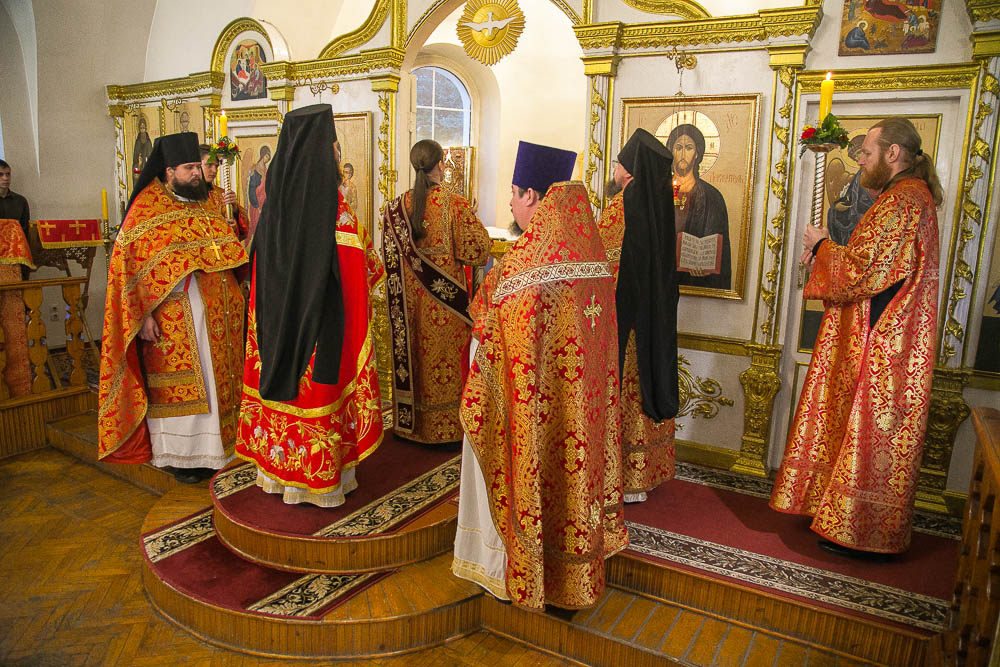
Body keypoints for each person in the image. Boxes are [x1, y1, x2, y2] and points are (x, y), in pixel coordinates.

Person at [453, 141, 626, 610]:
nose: (511, 203)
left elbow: (490, 330)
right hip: (582, 410)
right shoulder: (591, 251)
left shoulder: (526, 266)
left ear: (531, 195)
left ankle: (513, 569)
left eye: (513, 193)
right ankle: (573, 576)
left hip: (534, 413)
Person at [770, 117, 942, 556]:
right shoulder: (906, 196)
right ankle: (841, 517)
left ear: (893, 153)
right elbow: (877, 260)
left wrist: (821, 246)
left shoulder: (903, 199)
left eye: (866, 152)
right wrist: (831, 244)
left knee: (869, 431)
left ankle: (860, 532)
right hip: (885, 334)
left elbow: (864, 271)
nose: (861, 161)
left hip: (882, 339)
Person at [235, 104, 384, 507]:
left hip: (274, 328)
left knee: (283, 394)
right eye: (333, 148)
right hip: (319, 330)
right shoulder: (337, 215)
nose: (337, 155)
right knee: (316, 392)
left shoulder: (272, 211)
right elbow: (363, 273)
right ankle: (319, 485)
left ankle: (276, 475)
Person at [97, 132, 248, 484]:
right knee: (189, 388)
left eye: (198, 167)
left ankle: (224, 449)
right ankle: (184, 458)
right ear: (168, 171)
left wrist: (232, 222)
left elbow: (227, 248)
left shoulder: (206, 201)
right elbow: (128, 267)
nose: (197, 174)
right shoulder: (147, 208)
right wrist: (143, 314)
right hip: (175, 317)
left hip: (219, 313)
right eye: (189, 168)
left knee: (218, 384)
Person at [381, 139, 490, 446]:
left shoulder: (394, 208)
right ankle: (447, 430)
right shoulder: (455, 204)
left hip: (409, 310)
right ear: (441, 164)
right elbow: (479, 251)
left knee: (417, 362)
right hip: (446, 311)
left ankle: (409, 426)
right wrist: (472, 218)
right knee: (445, 367)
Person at [597, 129, 679, 504]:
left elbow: (603, 261)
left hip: (626, 321)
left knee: (629, 385)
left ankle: (627, 477)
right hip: (653, 314)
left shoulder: (624, 205)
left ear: (629, 170)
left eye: (618, 162)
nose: (614, 168)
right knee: (647, 378)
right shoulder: (658, 201)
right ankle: (647, 471)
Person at [668, 123, 732, 290]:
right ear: (671, 151)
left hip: (694, 280)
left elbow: (716, 239)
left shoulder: (712, 196)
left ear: (697, 153)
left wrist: (704, 264)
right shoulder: (658, 191)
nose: (683, 154)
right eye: (678, 147)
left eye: (688, 148)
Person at [199, 144, 249, 243]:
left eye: (216, 166)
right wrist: (220, 226)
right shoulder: (183, 196)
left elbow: (242, 232)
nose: (214, 170)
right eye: (209, 165)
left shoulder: (221, 194)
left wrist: (234, 211)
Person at [0, 160, 30, 239]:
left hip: (15, 243)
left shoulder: (20, 201)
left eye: (8, 174)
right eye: (0, 174)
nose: (5, 178)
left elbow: (25, 230)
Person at [246, 146, 271, 239]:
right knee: (258, 229)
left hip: (264, 202)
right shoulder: (255, 169)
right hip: (256, 204)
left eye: (269, 158)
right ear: (262, 155)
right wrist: (257, 206)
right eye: (266, 157)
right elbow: (251, 190)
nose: (267, 160)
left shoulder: (265, 169)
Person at [132, 116, 153, 188]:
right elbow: (135, 159)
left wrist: (147, 162)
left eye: (143, 127)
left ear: (146, 128)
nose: (142, 129)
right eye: (141, 127)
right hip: (139, 168)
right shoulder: (137, 142)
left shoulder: (148, 142)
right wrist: (138, 164)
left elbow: (151, 156)